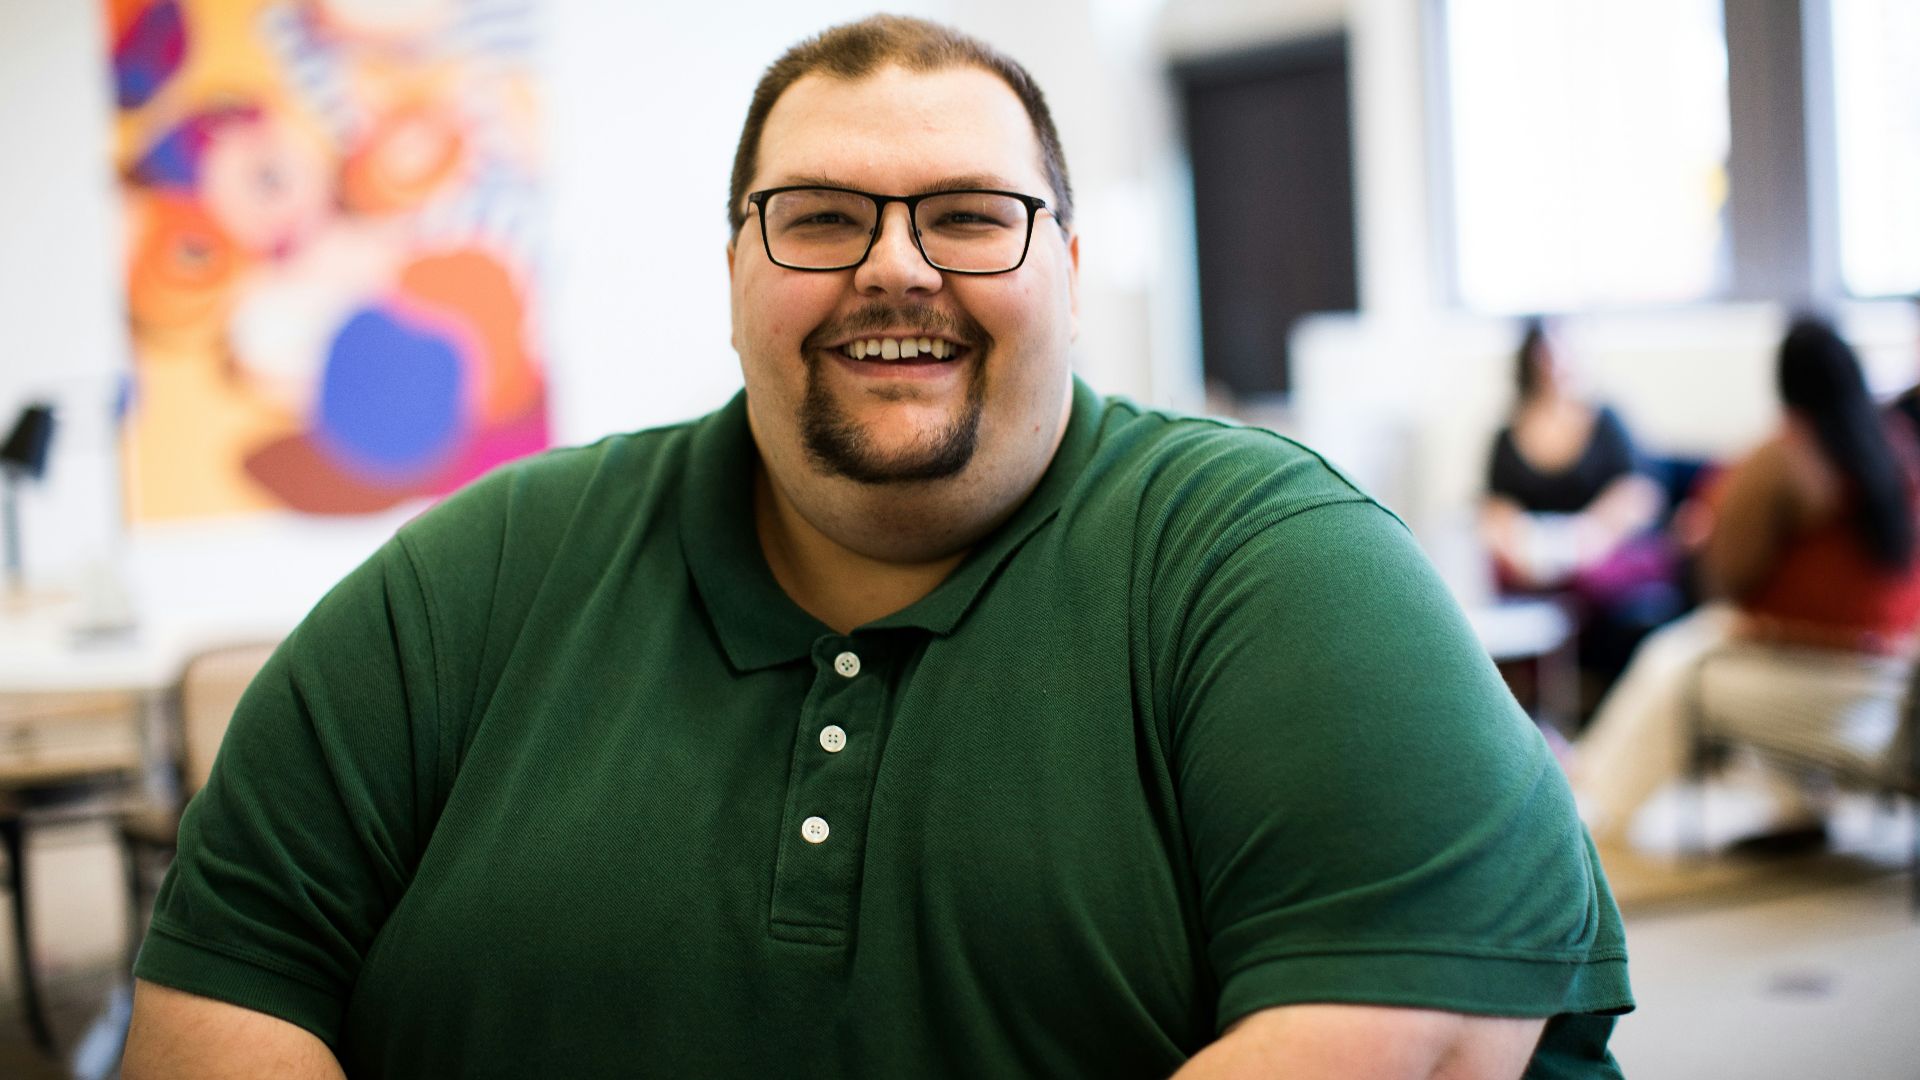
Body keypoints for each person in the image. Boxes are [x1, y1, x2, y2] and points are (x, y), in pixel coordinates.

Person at [121, 16, 1631, 1079]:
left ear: (1068, 268)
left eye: (972, 215)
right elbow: (214, 1001)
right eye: (822, 216)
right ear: (733, 273)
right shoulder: (475, 579)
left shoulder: (1282, 575)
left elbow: (1408, 1048)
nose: (896, 266)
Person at [1572, 316, 1920, 847]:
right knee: (1693, 647)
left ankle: (1590, 815)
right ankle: (1798, 806)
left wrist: (1701, 536)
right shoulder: (1896, 447)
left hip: (1808, 669)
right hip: (1884, 680)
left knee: (1671, 664)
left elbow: (1725, 578)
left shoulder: (1786, 457)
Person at [1481, 317, 1677, 703]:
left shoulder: (1606, 422)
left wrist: (1591, 534)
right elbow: (1494, 508)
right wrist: (1519, 545)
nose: (1555, 365)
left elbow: (1638, 493)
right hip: (1534, 562)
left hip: (1600, 552)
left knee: (1596, 585)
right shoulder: (1507, 435)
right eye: (1545, 355)